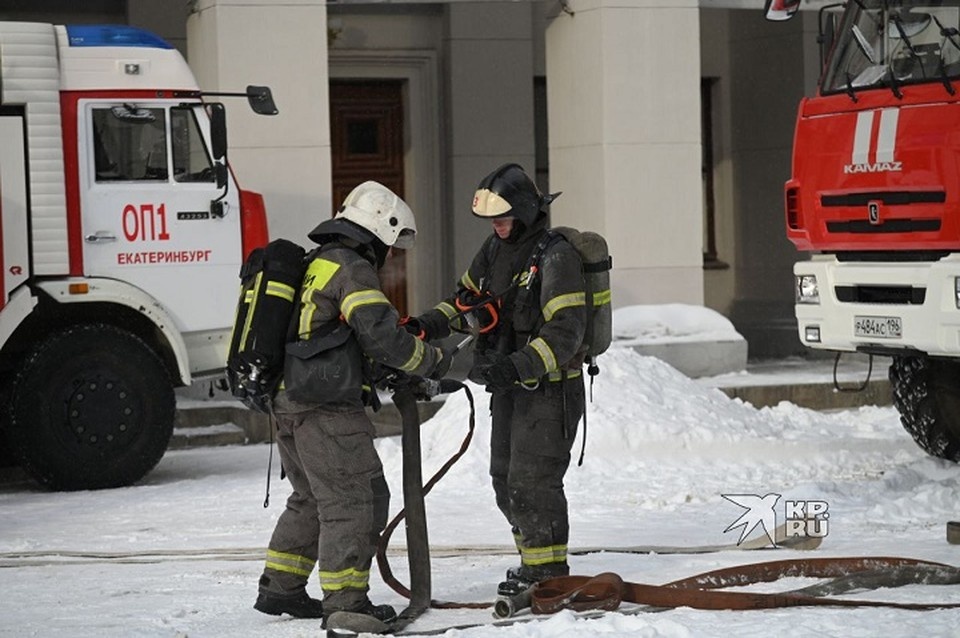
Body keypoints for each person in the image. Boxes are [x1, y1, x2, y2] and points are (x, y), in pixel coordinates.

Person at [253, 181, 450, 625]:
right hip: (325, 409)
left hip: (287, 400)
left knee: (310, 496)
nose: (390, 255)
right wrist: (433, 362)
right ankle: (346, 602)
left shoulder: (314, 262)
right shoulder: (350, 266)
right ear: (379, 229)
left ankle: (281, 586)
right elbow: (381, 337)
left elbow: (330, 337)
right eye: (391, 244)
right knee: (353, 500)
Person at [410, 164, 588, 595]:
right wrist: (427, 324)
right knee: (504, 477)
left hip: (549, 391)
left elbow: (566, 333)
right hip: (510, 388)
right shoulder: (494, 250)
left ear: (524, 212)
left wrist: (515, 366)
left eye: (503, 218)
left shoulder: (556, 256)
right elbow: (466, 300)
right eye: (492, 219)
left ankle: (548, 573)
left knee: (534, 481)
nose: (496, 225)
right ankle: (534, 563)